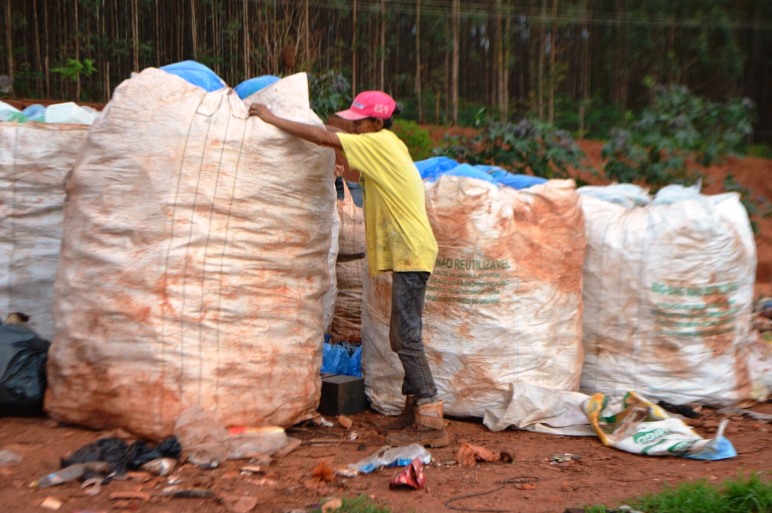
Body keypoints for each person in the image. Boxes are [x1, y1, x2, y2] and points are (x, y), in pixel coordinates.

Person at [249, 91, 448, 447]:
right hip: (407, 252)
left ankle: (431, 415)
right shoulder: (386, 144)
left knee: (406, 336)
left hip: (411, 252)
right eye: (351, 121)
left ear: (375, 123)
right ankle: (412, 409)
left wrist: (272, 119)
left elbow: (327, 138)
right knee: (399, 335)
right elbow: (339, 145)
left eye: (358, 122)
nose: (353, 127)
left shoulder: (380, 142)